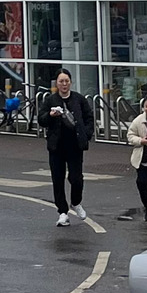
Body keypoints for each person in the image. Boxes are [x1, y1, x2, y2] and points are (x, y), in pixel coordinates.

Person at [39, 69, 94, 227]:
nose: (64, 84)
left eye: (66, 81)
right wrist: (50, 115)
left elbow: (89, 117)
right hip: (56, 146)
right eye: (61, 81)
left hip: (75, 145)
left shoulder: (79, 99)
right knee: (58, 178)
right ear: (56, 83)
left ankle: (76, 203)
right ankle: (62, 212)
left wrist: (87, 133)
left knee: (76, 178)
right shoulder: (50, 100)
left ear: (70, 82)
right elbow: (41, 120)